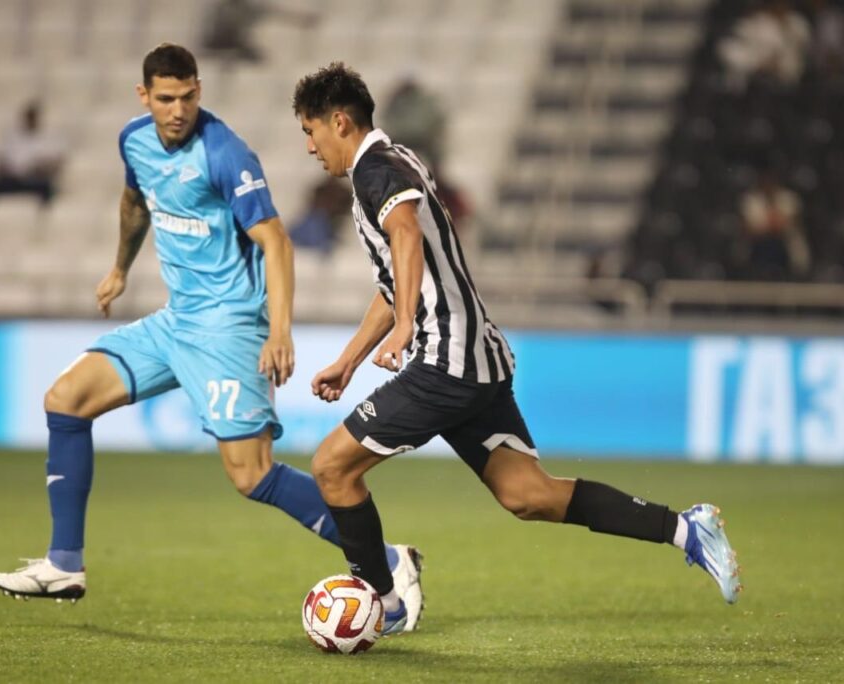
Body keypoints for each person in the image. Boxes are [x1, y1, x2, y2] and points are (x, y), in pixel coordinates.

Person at [291, 62, 742, 635]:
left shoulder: (374, 169)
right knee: (527, 494)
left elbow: (405, 236)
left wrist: (406, 325)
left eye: (310, 131)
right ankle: (687, 529)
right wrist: (349, 361)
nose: (309, 146)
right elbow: (397, 277)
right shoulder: (399, 161)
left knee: (332, 468)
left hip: (444, 362)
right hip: (475, 360)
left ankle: (386, 595)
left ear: (339, 121)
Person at [0, 46, 423, 630]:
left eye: (188, 96)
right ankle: (65, 563)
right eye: (166, 98)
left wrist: (280, 331)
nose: (178, 109)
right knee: (65, 400)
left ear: (199, 89)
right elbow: (134, 201)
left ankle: (389, 563)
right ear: (145, 96)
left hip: (229, 324)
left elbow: (276, 242)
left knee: (252, 476)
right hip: (175, 321)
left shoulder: (225, 152)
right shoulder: (133, 141)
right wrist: (120, 267)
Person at [0, 101, 66, 206]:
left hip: (35, 178)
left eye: (33, 117)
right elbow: (0, 158)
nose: (30, 120)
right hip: (13, 178)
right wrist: (6, 168)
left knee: (47, 187)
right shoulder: (12, 137)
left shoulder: (48, 137)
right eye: (28, 117)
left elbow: (57, 161)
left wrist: (41, 166)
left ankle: (43, 217)